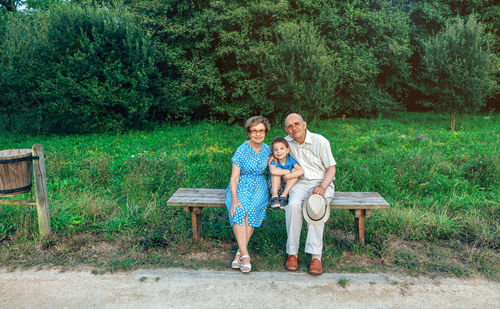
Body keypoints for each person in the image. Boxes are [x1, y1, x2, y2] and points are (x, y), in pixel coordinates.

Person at [283, 113, 336, 275]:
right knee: (292, 205)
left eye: (297, 124)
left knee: (316, 206)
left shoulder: (320, 141)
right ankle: (292, 253)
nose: (294, 128)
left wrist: (322, 187)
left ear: (304, 124)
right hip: (299, 183)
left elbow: (331, 169)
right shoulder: (287, 143)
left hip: (321, 182)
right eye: (290, 126)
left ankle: (316, 256)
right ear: (286, 129)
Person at [225, 115, 272, 273]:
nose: (258, 134)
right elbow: (234, 177)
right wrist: (234, 199)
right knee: (238, 210)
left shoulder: (268, 149)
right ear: (248, 132)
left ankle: (239, 253)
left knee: (252, 210)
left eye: (261, 131)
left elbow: (279, 167)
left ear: (265, 132)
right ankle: (245, 254)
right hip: (242, 185)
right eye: (254, 131)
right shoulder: (242, 150)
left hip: (259, 185)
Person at [268, 137, 304, 209]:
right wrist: (287, 171)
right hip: (274, 186)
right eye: (276, 150)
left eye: (282, 148)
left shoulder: (290, 159)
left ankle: (284, 196)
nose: (279, 151)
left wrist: (289, 176)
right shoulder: (274, 161)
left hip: (287, 187)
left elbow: (301, 171)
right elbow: (272, 171)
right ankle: (274, 197)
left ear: (287, 150)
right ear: (273, 152)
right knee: (276, 171)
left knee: (294, 171)